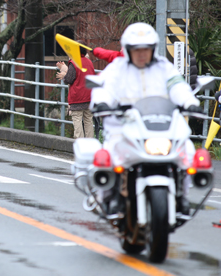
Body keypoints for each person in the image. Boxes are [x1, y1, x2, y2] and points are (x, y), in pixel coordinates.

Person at [91, 22, 202, 214]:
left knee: (188, 152)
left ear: (153, 49)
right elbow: (105, 88)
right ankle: (109, 196)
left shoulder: (164, 68)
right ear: (128, 50)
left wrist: (190, 102)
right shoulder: (117, 69)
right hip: (123, 126)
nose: (142, 54)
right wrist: (101, 102)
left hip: (160, 124)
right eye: (136, 49)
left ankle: (182, 196)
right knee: (109, 155)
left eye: (146, 49)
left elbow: (178, 86)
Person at [56, 46, 96, 139]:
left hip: (77, 98)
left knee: (78, 125)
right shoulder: (89, 62)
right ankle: (91, 147)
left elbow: (69, 79)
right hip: (89, 97)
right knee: (88, 123)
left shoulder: (74, 63)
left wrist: (64, 74)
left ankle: (80, 147)